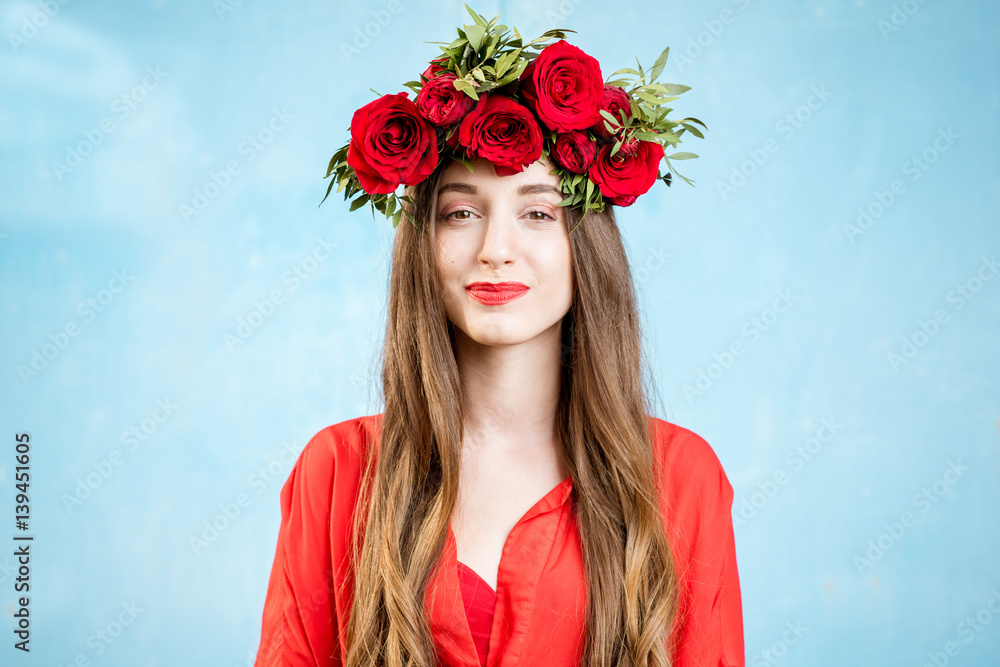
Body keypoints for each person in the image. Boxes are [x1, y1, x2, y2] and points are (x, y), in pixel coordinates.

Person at [254, 11, 743, 667]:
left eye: (537, 212)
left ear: (585, 248)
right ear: (424, 243)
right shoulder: (338, 469)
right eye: (462, 212)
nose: (495, 250)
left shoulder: (682, 478)